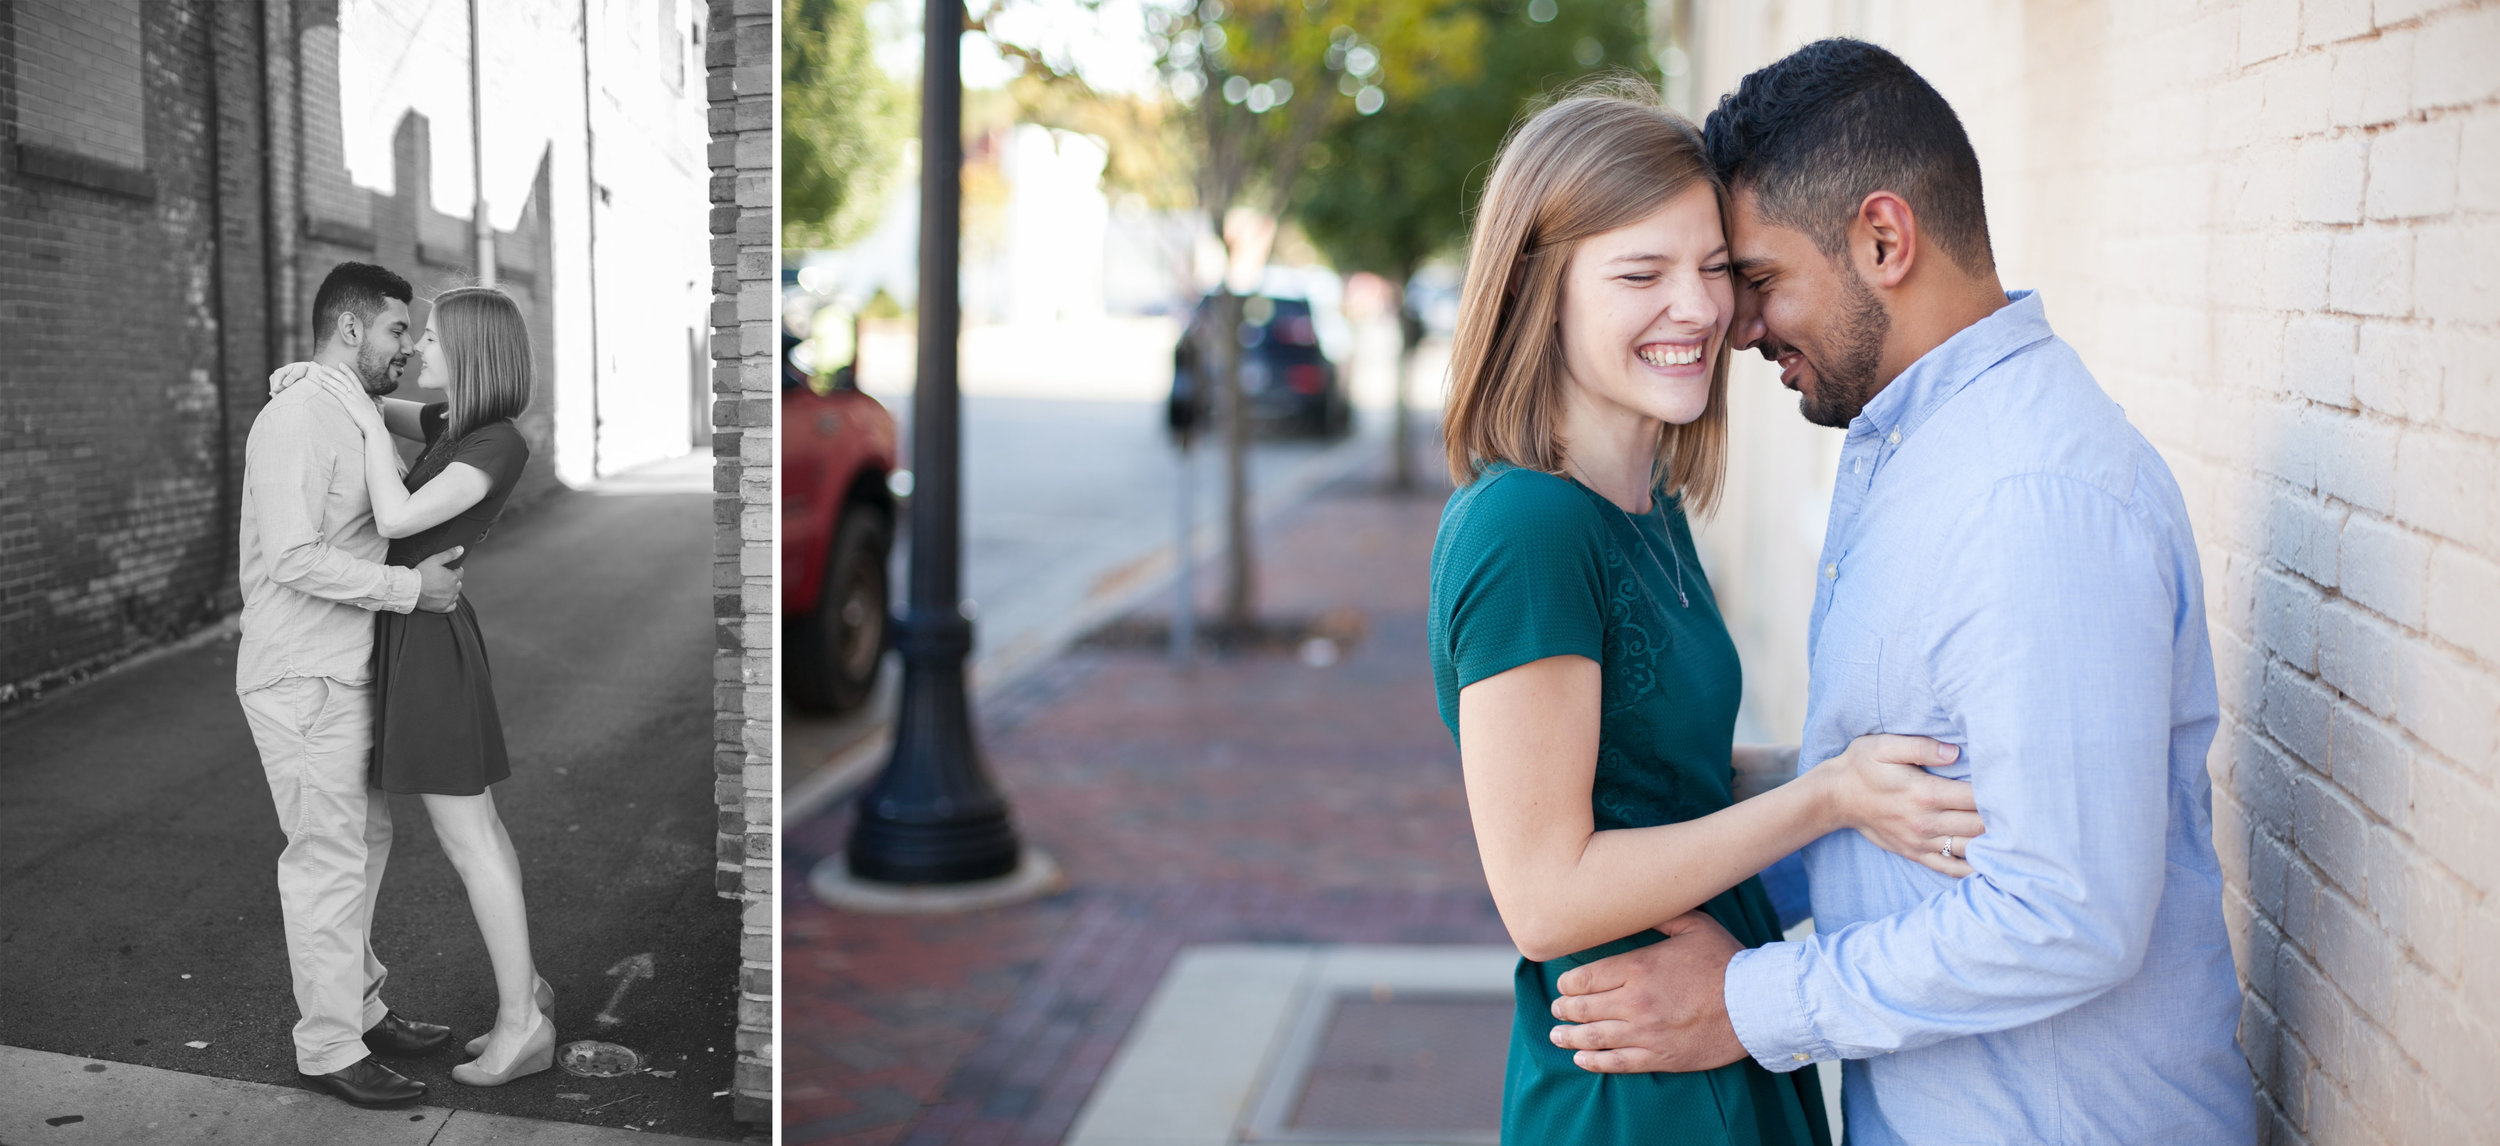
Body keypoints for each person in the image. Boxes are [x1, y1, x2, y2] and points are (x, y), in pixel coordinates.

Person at [1544, 41, 2258, 1145]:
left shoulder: (2029, 498)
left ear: (1883, 239)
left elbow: (2063, 912)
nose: (1736, 326)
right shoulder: (1916, 454)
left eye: (1760, 279)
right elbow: (1921, 791)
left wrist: (1744, 1003)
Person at [1427, 86, 1987, 1146]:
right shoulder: (1527, 528)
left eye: (1715, 269)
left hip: (1716, 1027)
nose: (1698, 308)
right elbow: (1544, 895)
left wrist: (1862, 764)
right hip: (1635, 1085)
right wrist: (1827, 797)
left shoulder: (1646, 507)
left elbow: (1656, 776)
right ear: (1539, 293)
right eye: (1640, 273)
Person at [274, 285, 552, 1089]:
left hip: (430, 645)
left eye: (430, 337)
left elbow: (394, 517)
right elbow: (372, 398)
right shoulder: (452, 427)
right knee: (479, 835)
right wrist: (312, 376)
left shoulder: (496, 445)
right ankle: (524, 991)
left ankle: (522, 1020)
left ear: (469, 351)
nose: (416, 349)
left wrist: (355, 414)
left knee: (472, 842)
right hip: (410, 634)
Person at [235, 261, 465, 1109]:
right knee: (326, 861)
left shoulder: (351, 406)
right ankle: (328, 1045)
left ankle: (360, 1008)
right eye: (399, 330)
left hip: (345, 669)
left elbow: (437, 417)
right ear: (350, 329)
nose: (407, 347)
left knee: (363, 844)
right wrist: (411, 590)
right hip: (299, 676)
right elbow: (293, 556)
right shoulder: (296, 418)